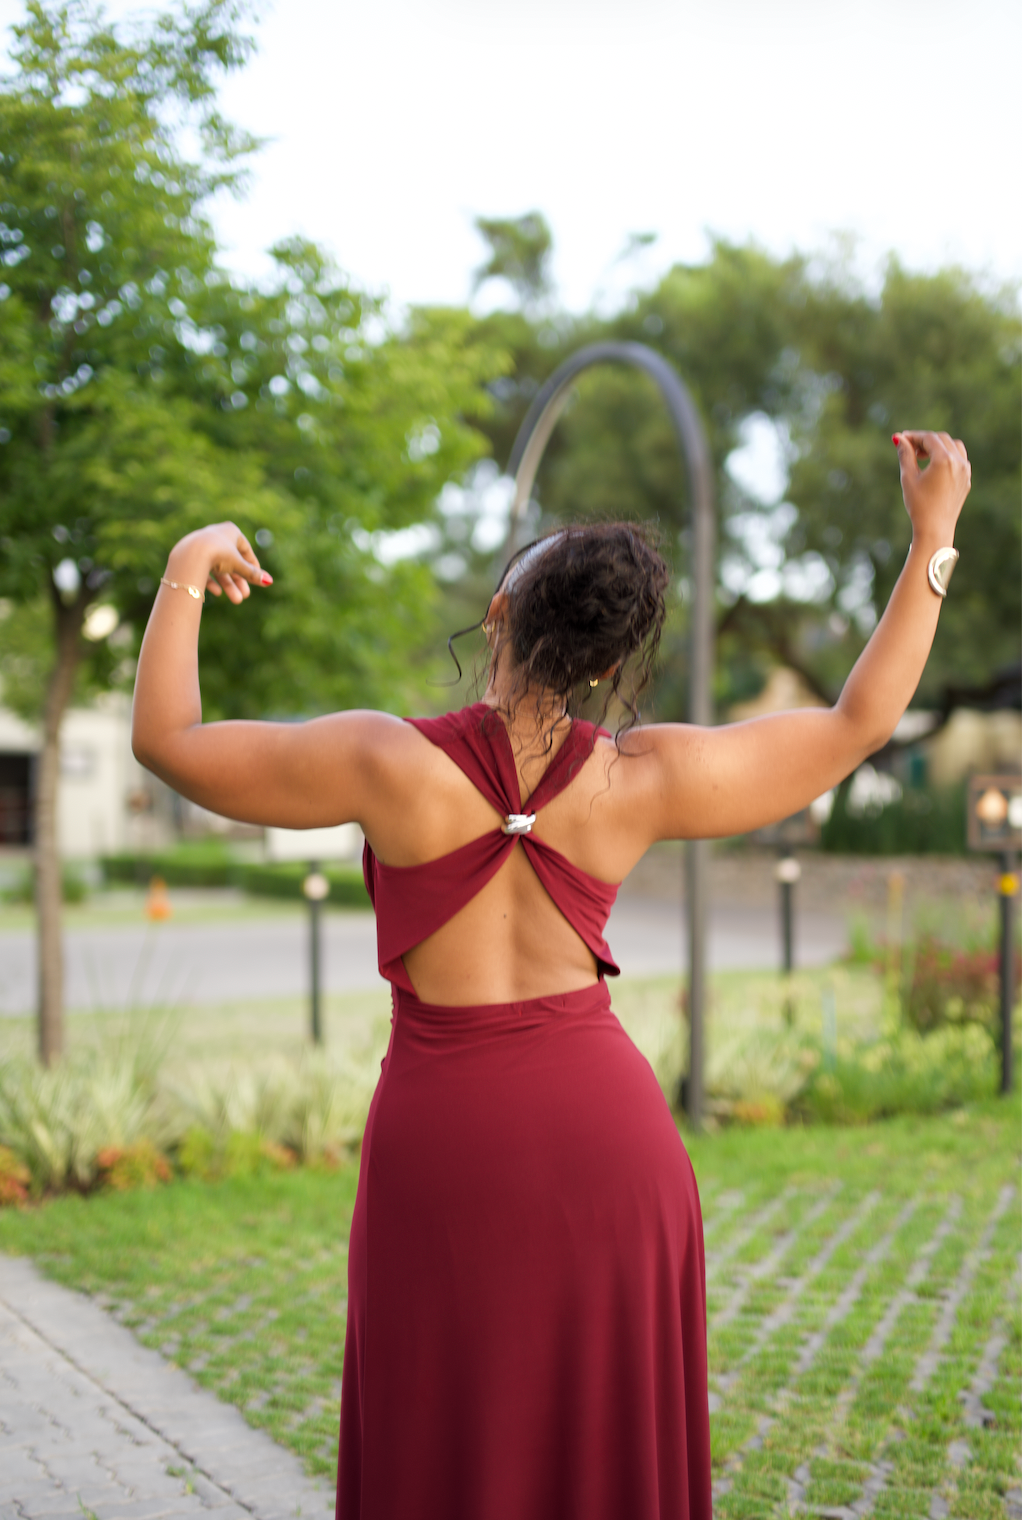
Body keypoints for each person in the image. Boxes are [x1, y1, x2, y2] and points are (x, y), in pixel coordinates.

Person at [132, 430, 970, 1520]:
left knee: (446, 1430)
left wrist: (188, 564)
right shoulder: (641, 778)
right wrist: (931, 539)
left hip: (444, 1149)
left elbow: (166, 737)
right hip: (611, 1154)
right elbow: (859, 722)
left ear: (497, 615)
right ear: (606, 662)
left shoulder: (385, 761)